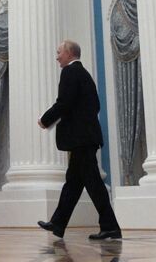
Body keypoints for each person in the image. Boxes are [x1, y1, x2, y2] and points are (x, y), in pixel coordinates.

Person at [37, 40, 122, 241]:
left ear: (69, 53)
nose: (57, 56)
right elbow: (96, 106)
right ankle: (58, 223)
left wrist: (45, 119)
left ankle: (110, 226)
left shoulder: (69, 72)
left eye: (59, 52)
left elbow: (64, 103)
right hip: (86, 138)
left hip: (81, 139)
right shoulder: (84, 74)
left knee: (93, 184)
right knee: (73, 183)